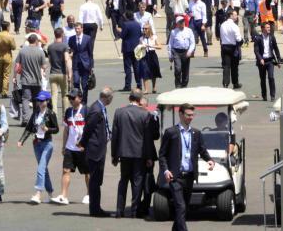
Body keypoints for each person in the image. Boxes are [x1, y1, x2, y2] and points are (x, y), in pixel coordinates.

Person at [158, 103, 215, 231]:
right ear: (180, 114)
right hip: (175, 177)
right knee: (180, 207)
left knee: (183, 208)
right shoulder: (171, 132)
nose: (191, 117)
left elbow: (202, 150)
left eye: (192, 115)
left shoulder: (196, 133)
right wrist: (166, 170)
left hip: (189, 177)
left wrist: (209, 160)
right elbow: (162, 155)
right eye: (188, 115)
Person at [111, 89, 155, 219]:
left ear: (129, 99)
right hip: (139, 154)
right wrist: (148, 157)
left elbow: (115, 136)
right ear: (140, 99)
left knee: (123, 180)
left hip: (124, 153)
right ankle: (134, 211)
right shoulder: (145, 114)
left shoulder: (119, 112)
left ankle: (119, 210)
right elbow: (147, 138)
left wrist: (114, 155)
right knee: (137, 182)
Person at [17, 90, 59, 204]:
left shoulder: (51, 113)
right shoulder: (35, 113)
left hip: (47, 144)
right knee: (43, 169)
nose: (40, 103)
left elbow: (57, 129)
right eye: (39, 101)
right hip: (37, 144)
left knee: (41, 168)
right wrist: (21, 140)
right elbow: (29, 128)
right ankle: (50, 193)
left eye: (42, 100)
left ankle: (38, 193)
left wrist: (48, 129)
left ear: (47, 101)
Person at [79, 86, 114, 218]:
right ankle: (95, 209)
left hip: (99, 148)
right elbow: (88, 129)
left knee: (97, 180)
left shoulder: (100, 108)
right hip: (95, 150)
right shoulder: (96, 110)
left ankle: (96, 207)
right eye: (111, 98)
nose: (111, 100)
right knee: (95, 180)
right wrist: (82, 143)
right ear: (106, 97)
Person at [51, 88, 91, 206]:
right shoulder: (68, 112)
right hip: (70, 147)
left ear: (80, 98)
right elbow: (66, 130)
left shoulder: (86, 111)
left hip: (83, 148)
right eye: (69, 98)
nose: (71, 100)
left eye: (73, 98)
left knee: (87, 172)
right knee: (65, 170)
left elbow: (90, 130)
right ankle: (63, 196)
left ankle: (89, 194)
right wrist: (64, 146)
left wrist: (86, 144)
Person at [14, 33, 48, 126]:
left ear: (28, 41)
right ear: (36, 41)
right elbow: (44, 66)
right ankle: (36, 118)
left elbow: (17, 65)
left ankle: (25, 119)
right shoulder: (40, 52)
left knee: (25, 99)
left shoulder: (22, 51)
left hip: (25, 80)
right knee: (36, 100)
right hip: (37, 80)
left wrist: (14, 77)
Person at [254, 22, 282, 101]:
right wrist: (260, 59)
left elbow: (276, 49)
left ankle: (272, 96)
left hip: (270, 61)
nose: (269, 29)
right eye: (267, 27)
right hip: (262, 61)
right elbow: (256, 51)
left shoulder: (272, 37)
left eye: (269, 27)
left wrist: (278, 60)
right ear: (262, 29)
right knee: (262, 79)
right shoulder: (258, 38)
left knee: (271, 77)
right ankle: (264, 95)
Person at [47, 27, 72, 114]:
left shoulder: (50, 47)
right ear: (62, 35)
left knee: (54, 95)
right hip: (62, 73)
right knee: (65, 95)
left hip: (53, 73)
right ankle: (65, 114)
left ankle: (54, 114)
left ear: (55, 34)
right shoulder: (64, 46)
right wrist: (69, 73)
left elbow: (49, 60)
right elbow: (66, 59)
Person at [68, 22, 94, 104]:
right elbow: (70, 49)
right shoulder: (71, 39)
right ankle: (78, 99)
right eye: (76, 29)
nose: (77, 30)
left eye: (78, 28)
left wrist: (91, 66)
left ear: (82, 29)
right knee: (76, 82)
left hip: (85, 64)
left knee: (84, 85)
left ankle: (84, 101)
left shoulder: (88, 38)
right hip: (76, 64)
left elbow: (90, 53)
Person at [168, 15, 196, 89]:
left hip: (186, 51)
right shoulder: (173, 32)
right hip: (176, 52)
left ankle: (184, 85)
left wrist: (190, 51)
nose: (182, 23)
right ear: (177, 23)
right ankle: (178, 84)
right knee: (178, 68)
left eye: (183, 21)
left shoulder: (189, 31)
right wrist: (170, 55)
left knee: (185, 70)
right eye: (180, 22)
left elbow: (193, 42)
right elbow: (170, 44)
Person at [119, 11, 143, 92]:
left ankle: (128, 85)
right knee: (137, 67)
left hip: (127, 48)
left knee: (128, 68)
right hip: (136, 48)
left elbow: (122, 35)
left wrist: (119, 31)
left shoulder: (126, 24)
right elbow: (140, 34)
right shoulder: (137, 24)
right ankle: (139, 84)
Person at [219, 9, 243, 89]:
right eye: (235, 15)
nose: (236, 16)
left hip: (224, 46)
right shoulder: (234, 26)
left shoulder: (222, 25)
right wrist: (241, 42)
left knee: (226, 66)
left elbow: (221, 37)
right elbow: (239, 39)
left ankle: (225, 83)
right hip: (233, 47)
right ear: (231, 15)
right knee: (234, 66)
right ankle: (235, 83)